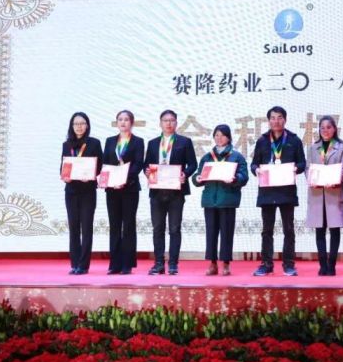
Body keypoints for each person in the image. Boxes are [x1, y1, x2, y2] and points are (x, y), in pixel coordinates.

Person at [250, 106, 306, 277]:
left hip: (286, 191)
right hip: (267, 192)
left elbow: (302, 163)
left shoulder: (294, 140)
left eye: (279, 117)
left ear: (285, 120)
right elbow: (254, 163)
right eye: (273, 118)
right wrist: (256, 170)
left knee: (288, 229)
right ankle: (266, 264)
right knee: (267, 230)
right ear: (268, 121)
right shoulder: (262, 141)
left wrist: (296, 168)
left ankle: (289, 264)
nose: (276, 121)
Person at [144, 110, 198, 276]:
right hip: (157, 192)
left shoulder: (184, 142)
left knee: (174, 229)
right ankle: (159, 263)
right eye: (165, 120)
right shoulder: (153, 143)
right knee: (157, 228)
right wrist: (147, 171)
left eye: (172, 120)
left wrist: (185, 174)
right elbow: (146, 165)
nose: (168, 123)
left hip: (176, 192)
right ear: (160, 123)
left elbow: (193, 164)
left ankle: (173, 264)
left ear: (176, 123)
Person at [191, 124, 249, 276]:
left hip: (228, 199)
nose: (219, 138)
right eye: (216, 135)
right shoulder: (207, 157)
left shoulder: (236, 156)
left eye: (222, 135)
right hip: (210, 200)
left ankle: (226, 264)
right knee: (211, 233)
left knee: (227, 233)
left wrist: (235, 178)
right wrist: (197, 178)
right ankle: (212, 263)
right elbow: (197, 176)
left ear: (228, 137)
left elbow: (244, 177)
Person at [101, 110, 144, 275]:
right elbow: (105, 163)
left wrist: (123, 179)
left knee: (128, 226)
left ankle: (127, 264)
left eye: (126, 119)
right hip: (112, 189)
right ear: (117, 122)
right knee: (114, 226)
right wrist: (108, 179)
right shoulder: (110, 141)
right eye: (120, 119)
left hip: (129, 189)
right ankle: (114, 264)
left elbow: (138, 164)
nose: (123, 122)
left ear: (131, 123)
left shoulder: (138, 141)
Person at [306, 115, 343, 276]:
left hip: (334, 192)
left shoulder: (341, 147)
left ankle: (332, 265)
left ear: (334, 129)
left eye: (329, 127)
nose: (325, 130)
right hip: (317, 193)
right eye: (322, 127)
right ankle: (322, 264)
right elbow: (308, 168)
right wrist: (311, 179)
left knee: (335, 230)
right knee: (320, 230)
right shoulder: (313, 148)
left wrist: (336, 179)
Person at [60, 111, 102, 275]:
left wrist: (91, 175)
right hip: (71, 191)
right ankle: (74, 264)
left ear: (87, 126)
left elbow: (99, 165)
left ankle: (84, 265)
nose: (79, 126)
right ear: (72, 126)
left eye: (82, 123)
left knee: (87, 227)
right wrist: (65, 176)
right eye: (76, 124)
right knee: (73, 228)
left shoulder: (94, 143)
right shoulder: (66, 144)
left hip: (88, 191)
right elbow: (63, 166)